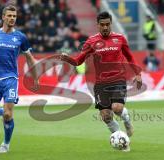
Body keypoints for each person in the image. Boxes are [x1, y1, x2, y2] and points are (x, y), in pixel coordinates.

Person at [60, 11, 142, 152]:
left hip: (118, 78)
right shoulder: (91, 42)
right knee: (105, 116)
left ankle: (127, 122)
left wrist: (138, 74)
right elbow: (79, 60)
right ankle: (122, 141)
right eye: (102, 25)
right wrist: (69, 59)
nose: (105, 27)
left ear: (111, 24)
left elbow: (130, 57)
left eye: (108, 24)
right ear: (97, 25)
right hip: (101, 83)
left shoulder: (120, 38)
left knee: (117, 108)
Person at [0, 5, 39, 154]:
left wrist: (35, 77)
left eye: (14, 16)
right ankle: (1, 112)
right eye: (9, 15)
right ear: (3, 17)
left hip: (10, 79)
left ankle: (5, 144)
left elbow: (30, 58)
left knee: (9, 114)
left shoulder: (21, 37)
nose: (12, 18)